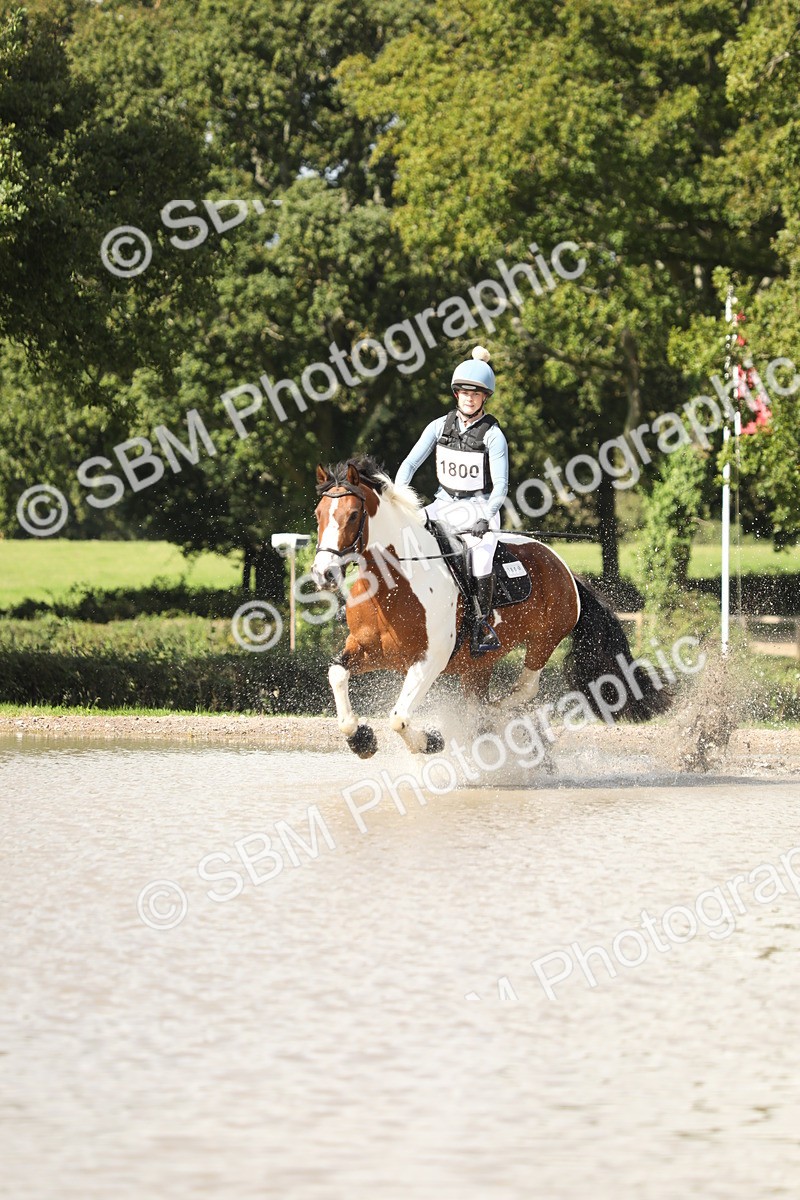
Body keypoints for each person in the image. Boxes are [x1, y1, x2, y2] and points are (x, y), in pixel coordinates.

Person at [395, 345, 509, 655]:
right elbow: (408, 465)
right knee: (402, 538)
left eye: (476, 393)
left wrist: (487, 515)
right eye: (463, 392)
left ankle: (482, 625)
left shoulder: (493, 436)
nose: (469, 397)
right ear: (456, 393)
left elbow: (501, 485)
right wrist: (398, 498)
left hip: (479, 507)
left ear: (484, 396)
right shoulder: (437, 427)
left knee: (481, 556)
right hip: (442, 503)